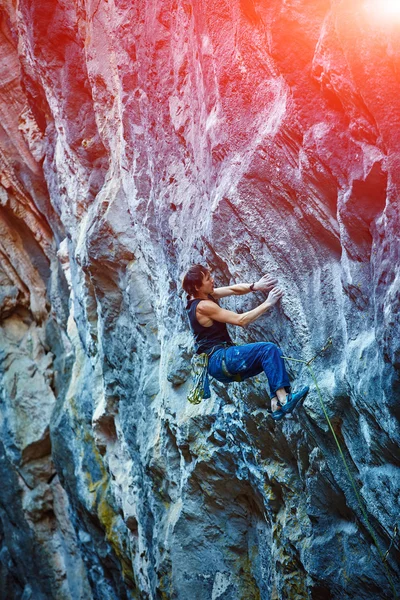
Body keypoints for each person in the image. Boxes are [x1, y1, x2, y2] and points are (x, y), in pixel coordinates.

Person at [182, 264, 309, 420]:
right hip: (220, 359)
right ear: (197, 286)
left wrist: (255, 286)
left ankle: (275, 404)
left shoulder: (199, 296)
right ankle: (284, 398)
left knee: (268, 360)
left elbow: (233, 290)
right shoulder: (203, 306)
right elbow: (240, 320)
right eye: (208, 279)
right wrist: (268, 303)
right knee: (268, 350)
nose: (212, 280)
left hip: (217, 364)